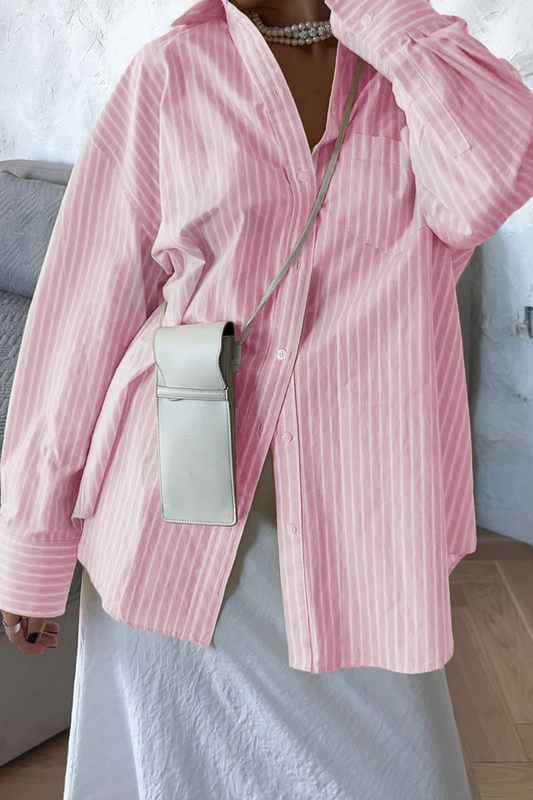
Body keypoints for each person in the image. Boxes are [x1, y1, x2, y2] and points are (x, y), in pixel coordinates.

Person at [2, 0, 533, 797]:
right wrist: (31, 546)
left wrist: (380, 16)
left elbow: (491, 182)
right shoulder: (170, 75)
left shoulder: (411, 77)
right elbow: (81, 317)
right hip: (172, 514)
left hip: (361, 532)